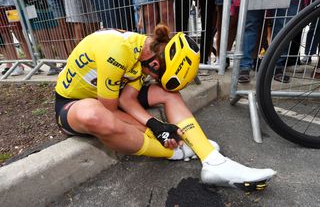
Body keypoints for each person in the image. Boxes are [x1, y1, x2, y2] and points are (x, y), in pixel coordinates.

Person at [54, 24, 276, 191]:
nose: (154, 80)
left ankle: (212, 160)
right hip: (72, 103)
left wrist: (159, 125)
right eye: (157, 76)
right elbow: (110, 109)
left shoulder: (145, 49)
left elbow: (128, 100)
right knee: (96, 116)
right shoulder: (118, 51)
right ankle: (173, 151)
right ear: (155, 63)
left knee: (167, 94)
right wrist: (156, 128)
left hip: (108, 93)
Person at [0, 0, 31, 76]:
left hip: (10, 5)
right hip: (1, 9)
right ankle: (16, 65)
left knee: (18, 33)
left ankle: (32, 61)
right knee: (5, 36)